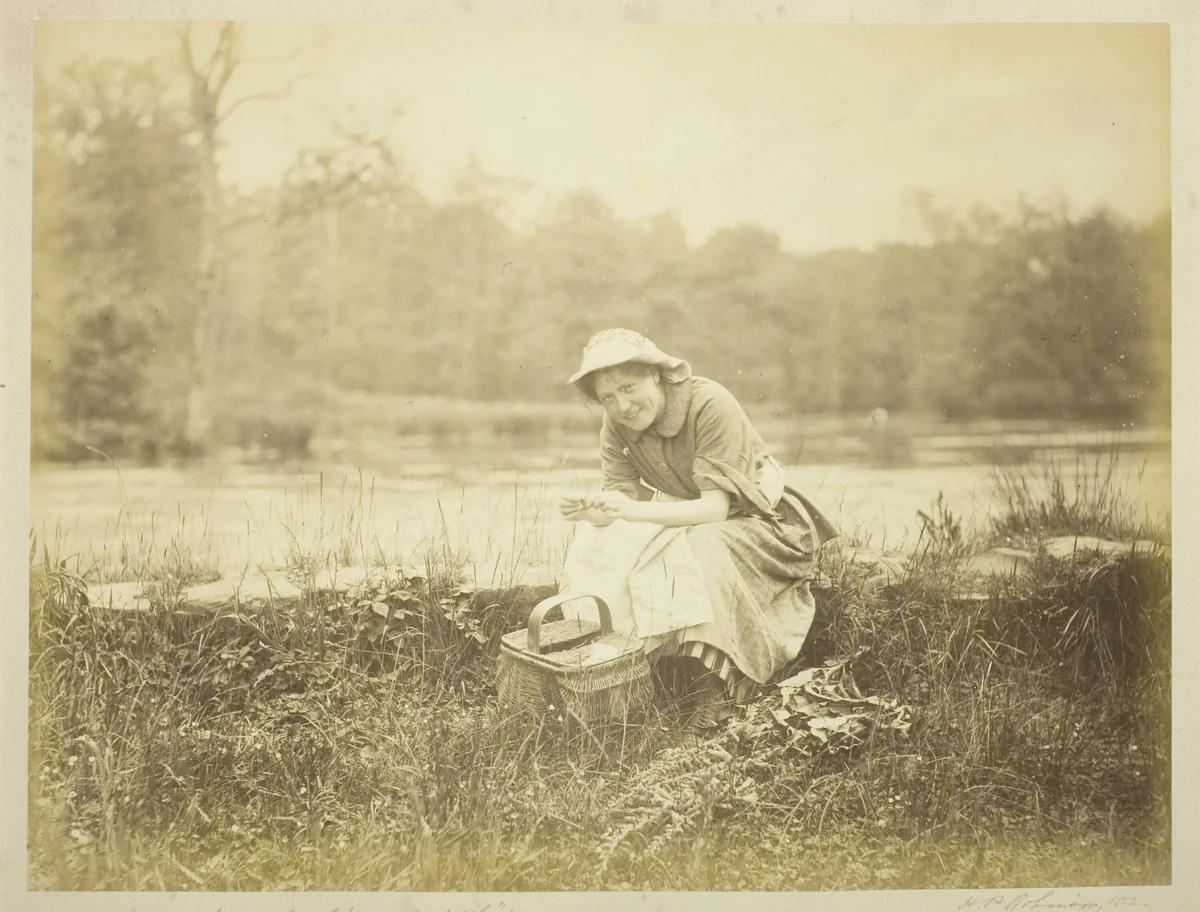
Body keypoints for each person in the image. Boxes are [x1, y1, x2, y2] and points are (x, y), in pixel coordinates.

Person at [557, 328, 838, 734]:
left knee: (695, 547)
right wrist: (595, 512)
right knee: (597, 543)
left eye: (629, 387)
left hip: (764, 523)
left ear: (657, 374)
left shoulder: (709, 403)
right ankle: (620, 673)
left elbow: (715, 508)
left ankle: (715, 693)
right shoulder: (616, 423)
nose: (621, 405)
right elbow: (620, 496)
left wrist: (633, 513)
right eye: (607, 397)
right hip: (698, 517)